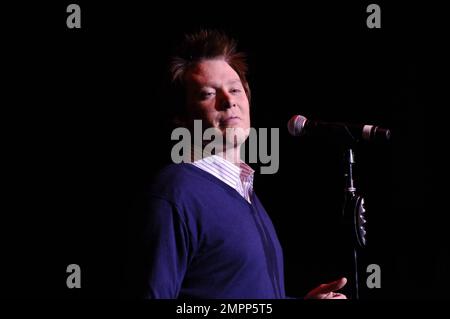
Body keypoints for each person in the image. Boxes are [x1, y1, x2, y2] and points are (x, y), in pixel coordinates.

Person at [131, 29, 347, 299]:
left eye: (235, 89)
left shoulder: (245, 193)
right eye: (208, 94)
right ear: (182, 118)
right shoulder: (175, 192)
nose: (229, 100)